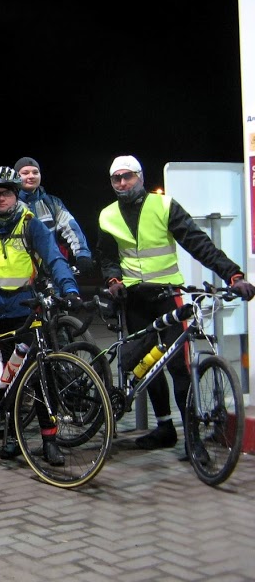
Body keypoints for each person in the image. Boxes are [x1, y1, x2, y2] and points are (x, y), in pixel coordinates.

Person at [96, 154, 255, 457]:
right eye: (116, 178)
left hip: (168, 295)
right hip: (133, 298)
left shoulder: (163, 205)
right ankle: (164, 428)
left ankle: (192, 437)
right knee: (146, 367)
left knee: (179, 366)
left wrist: (232, 274)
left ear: (140, 177)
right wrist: (113, 280)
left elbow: (197, 242)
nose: (122, 183)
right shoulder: (107, 215)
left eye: (128, 176)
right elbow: (107, 256)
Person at [0, 166, 82, 465]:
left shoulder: (31, 225)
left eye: (6, 193)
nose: (1, 198)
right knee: (4, 379)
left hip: (26, 310)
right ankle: (11, 438)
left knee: (39, 377)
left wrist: (70, 289)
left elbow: (54, 259)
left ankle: (49, 440)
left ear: (16, 195)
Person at [14, 157, 94, 277]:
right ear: (16, 176)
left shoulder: (52, 203)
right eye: (25, 173)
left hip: (50, 272)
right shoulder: (7, 205)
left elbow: (71, 227)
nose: (31, 176)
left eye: (35, 172)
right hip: (19, 274)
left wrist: (82, 254)